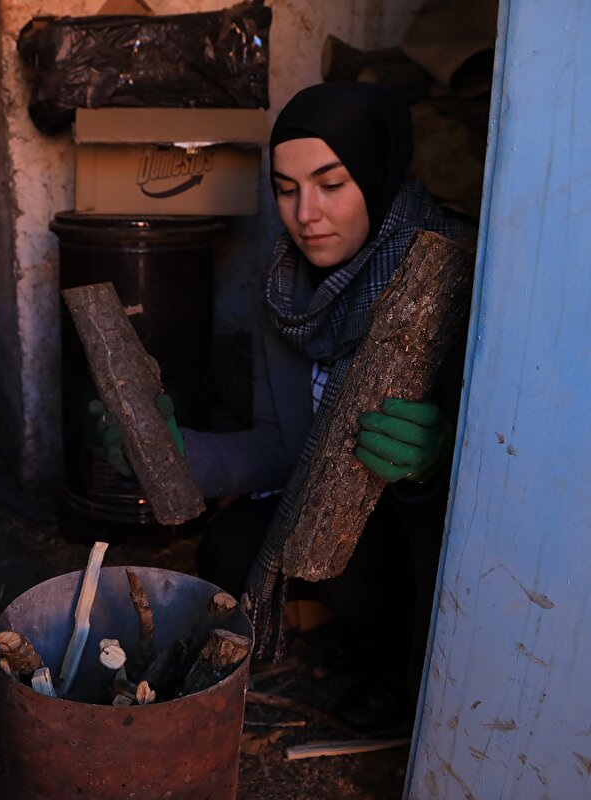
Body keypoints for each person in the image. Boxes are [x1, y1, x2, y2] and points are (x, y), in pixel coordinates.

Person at [101, 82, 474, 727]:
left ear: (378, 175)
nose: (306, 214)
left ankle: (395, 664)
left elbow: (524, 467)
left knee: (356, 560)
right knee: (228, 545)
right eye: (285, 187)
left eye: (332, 184)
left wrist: (439, 461)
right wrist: (179, 451)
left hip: (419, 537)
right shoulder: (287, 293)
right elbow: (280, 448)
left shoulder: (450, 273)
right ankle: (327, 613)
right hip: (325, 511)